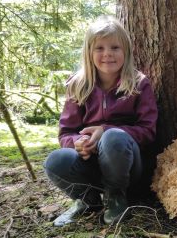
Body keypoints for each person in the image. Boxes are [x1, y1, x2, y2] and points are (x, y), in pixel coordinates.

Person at [43, 15, 158, 226]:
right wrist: (78, 142)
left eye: (115, 47)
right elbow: (66, 133)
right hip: (90, 165)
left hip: (126, 166)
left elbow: (148, 130)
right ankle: (88, 200)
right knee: (55, 161)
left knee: (113, 137)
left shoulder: (138, 83)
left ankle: (116, 197)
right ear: (88, 52)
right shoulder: (78, 85)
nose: (108, 54)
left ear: (126, 51)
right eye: (99, 48)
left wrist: (105, 130)